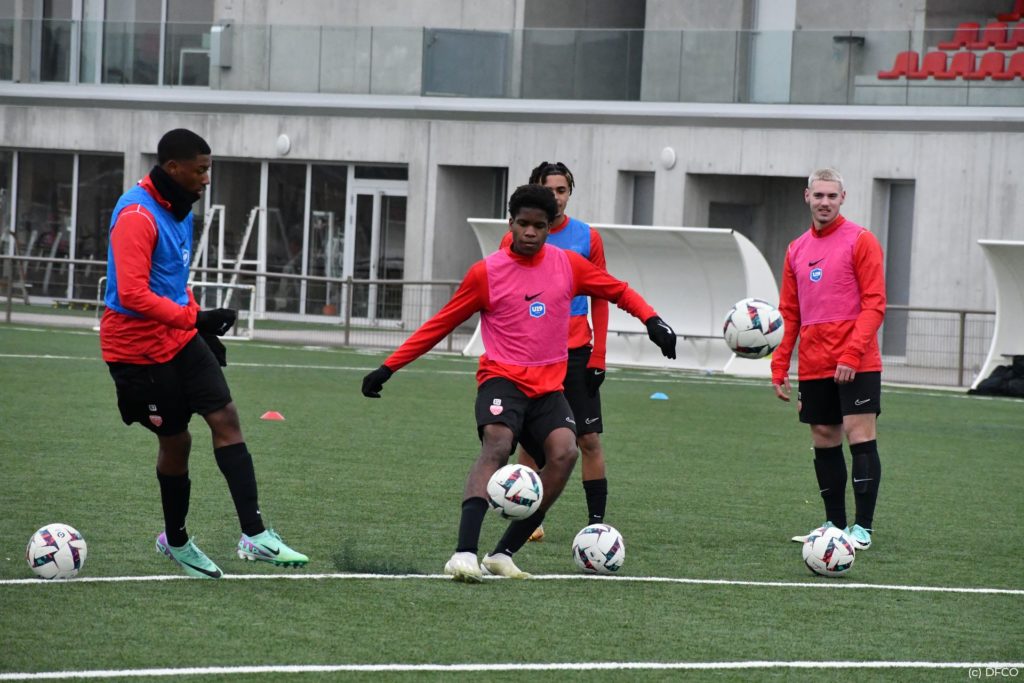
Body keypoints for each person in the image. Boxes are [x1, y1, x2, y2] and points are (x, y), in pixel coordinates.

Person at [361, 184, 677, 582]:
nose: (530, 232)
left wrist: (653, 321)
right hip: (502, 380)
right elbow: (441, 324)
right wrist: (388, 367)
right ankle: (463, 553)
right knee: (497, 444)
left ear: (549, 228)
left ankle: (502, 553)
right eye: (523, 223)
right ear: (510, 223)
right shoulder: (486, 273)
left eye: (539, 226)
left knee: (565, 453)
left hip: (548, 389)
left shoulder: (568, 265)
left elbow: (618, 290)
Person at [101, 128, 307, 578]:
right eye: (200, 170)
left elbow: (174, 280)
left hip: (177, 338)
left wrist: (196, 324)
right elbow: (132, 294)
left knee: (226, 417)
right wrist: (195, 319)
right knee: (177, 441)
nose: (207, 178)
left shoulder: (180, 210)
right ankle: (175, 541)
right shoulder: (137, 214)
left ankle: (254, 535)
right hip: (136, 351)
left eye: (208, 169)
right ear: (173, 168)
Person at [771, 168, 886, 551]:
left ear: (843, 198)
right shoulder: (796, 249)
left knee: (859, 434)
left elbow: (875, 304)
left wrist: (852, 353)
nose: (824, 202)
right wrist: (779, 364)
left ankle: (862, 529)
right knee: (823, 436)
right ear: (807, 196)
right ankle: (834, 525)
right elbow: (790, 312)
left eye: (831, 196)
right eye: (818, 195)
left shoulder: (861, 240)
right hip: (814, 360)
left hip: (858, 360)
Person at [499, 162, 609, 543]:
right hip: (534, 356)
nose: (556, 198)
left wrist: (599, 354)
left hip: (577, 353)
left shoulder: (587, 238)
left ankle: (596, 525)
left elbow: (603, 295)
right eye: (550, 191)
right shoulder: (515, 239)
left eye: (562, 191)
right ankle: (528, 515)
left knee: (588, 440)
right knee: (531, 442)